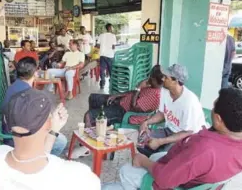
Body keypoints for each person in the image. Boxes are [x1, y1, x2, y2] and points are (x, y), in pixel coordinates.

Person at [103, 88, 242, 190]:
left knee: (126, 171)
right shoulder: (234, 142)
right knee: (158, 155)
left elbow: (165, 179)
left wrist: (144, 161)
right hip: (187, 169)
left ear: (218, 119)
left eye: (213, 107)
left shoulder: (205, 149)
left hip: (170, 182)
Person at [0, 89, 101, 190]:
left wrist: (52, 129)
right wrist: (53, 129)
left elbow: (38, 160)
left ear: (6, 121)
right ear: (48, 123)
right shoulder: (79, 177)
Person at [72, 65, 163, 159]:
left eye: (151, 77)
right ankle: (96, 130)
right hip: (121, 102)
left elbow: (134, 107)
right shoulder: (151, 85)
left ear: (156, 80)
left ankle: (87, 147)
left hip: (124, 113)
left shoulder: (155, 95)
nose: (149, 78)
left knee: (89, 115)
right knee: (93, 98)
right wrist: (118, 96)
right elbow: (132, 92)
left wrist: (138, 88)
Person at [138, 64, 208, 157]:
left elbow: (188, 132)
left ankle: (158, 161)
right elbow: (162, 113)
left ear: (175, 81)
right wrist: (146, 122)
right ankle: (155, 160)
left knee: (163, 156)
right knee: (141, 142)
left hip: (186, 138)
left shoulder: (189, 102)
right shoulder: (165, 91)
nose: (162, 79)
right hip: (170, 130)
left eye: (166, 77)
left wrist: (160, 142)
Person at [1, 57, 67, 156]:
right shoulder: (30, 95)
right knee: (61, 141)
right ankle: (43, 163)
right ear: (35, 73)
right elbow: (35, 126)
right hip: (18, 140)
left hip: (8, 132)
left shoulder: (12, 87)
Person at [98, 23, 117, 89]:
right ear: (110, 28)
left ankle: (102, 83)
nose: (112, 29)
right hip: (110, 55)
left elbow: (98, 45)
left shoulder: (101, 35)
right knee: (111, 70)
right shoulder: (113, 36)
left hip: (102, 55)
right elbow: (113, 46)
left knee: (102, 70)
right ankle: (111, 83)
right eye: (112, 27)